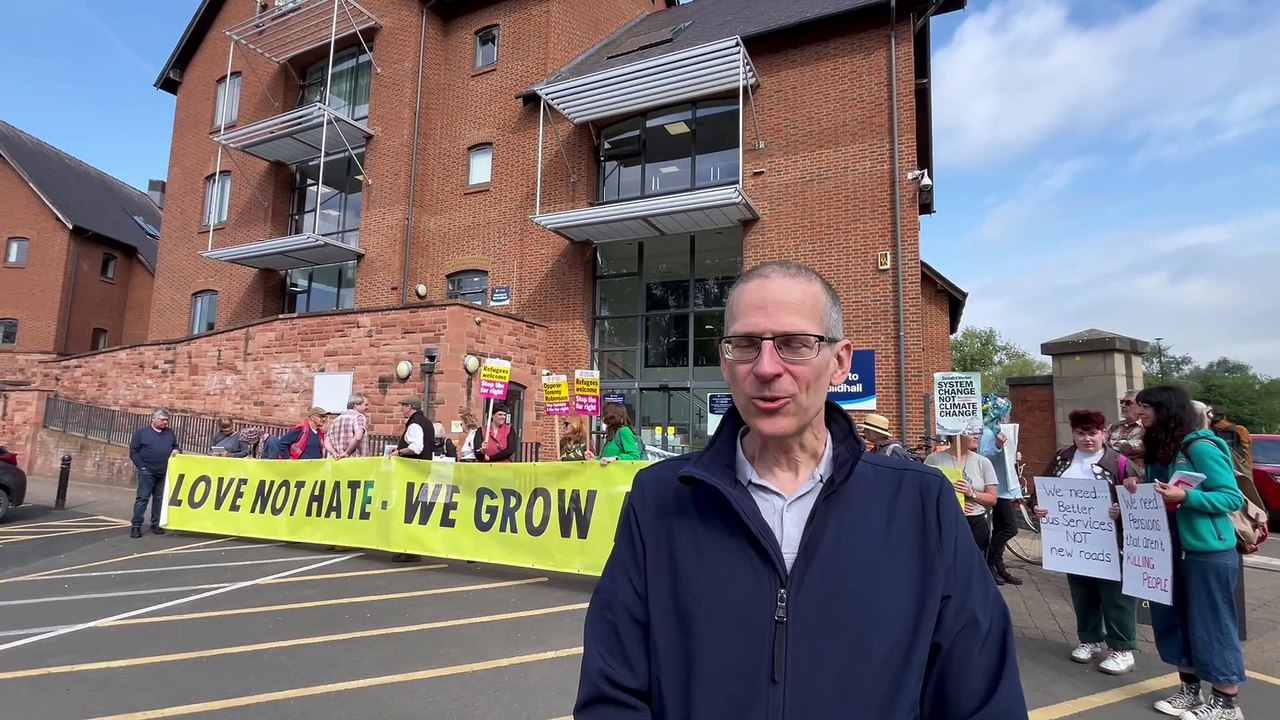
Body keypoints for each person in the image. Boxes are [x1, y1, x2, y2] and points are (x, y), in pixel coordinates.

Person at [574, 260, 1026, 719]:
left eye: (795, 344)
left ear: (839, 362)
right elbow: (612, 693)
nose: (766, 367)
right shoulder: (659, 500)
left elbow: (982, 698)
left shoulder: (921, 507)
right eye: (745, 345)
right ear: (725, 362)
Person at [1134, 385, 1246, 720]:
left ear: (1165, 409)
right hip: (1168, 548)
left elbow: (1231, 497)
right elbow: (1159, 494)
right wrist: (1135, 487)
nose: (1139, 414)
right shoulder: (1160, 448)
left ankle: (1226, 703)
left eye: (1145, 408)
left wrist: (1186, 498)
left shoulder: (1199, 446)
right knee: (1174, 621)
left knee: (1212, 623)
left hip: (1206, 551)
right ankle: (1190, 690)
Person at [1029, 409, 1141, 675]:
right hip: (1074, 543)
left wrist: (1122, 509)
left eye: (1093, 433)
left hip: (1111, 543)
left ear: (1103, 434)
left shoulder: (1120, 463)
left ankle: (1122, 648)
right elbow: (1040, 492)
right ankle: (1089, 639)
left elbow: (1140, 499)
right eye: (1081, 433)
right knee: (1083, 593)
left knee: (1116, 596)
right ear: (1073, 434)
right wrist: (1037, 507)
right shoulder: (1062, 459)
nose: (1087, 439)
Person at [925, 433, 1000, 579]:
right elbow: (925, 493)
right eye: (971, 433)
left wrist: (972, 494)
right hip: (946, 522)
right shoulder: (934, 460)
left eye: (977, 432)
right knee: (946, 569)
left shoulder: (983, 462)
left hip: (974, 523)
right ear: (956, 435)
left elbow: (992, 499)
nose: (977, 436)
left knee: (970, 570)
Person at [980, 395, 1021, 586]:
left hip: (1008, 486)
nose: (1007, 417)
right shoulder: (988, 432)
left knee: (1000, 527)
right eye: (1005, 413)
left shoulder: (1001, 431)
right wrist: (997, 446)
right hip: (999, 488)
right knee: (1009, 528)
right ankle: (989, 562)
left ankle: (998, 564)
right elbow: (983, 456)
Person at [128, 408, 181, 538]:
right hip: (147, 471)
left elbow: (175, 446)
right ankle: (136, 526)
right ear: (153, 419)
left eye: (167, 420)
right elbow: (134, 451)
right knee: (142, 499)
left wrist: (176, 450)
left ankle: (156, 524)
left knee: (159, 500)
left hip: (163, 471)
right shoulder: (142, 433)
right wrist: (142, 467)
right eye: (162, 420)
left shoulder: (169, 433)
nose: (165, 422)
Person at [1107, 389, 1145, 476]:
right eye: (1122, 402)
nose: (1122, 405)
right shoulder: (1114, 426)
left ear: (1140, 406)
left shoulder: (1146, 427)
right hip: (1113, 472)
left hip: (1137, 475)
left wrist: (1112, 444)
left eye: (1128, 403)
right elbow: (1102, 448)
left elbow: (1139, 447)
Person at [324, 393, 370, 459]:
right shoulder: (359, 417)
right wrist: (347, 453)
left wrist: (334, 453)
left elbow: (327, 441)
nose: (367, 408)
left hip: (338, 460)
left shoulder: (337, 419)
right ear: (356, 405)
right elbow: (358, 436)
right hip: (356, 460)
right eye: (366, 405)